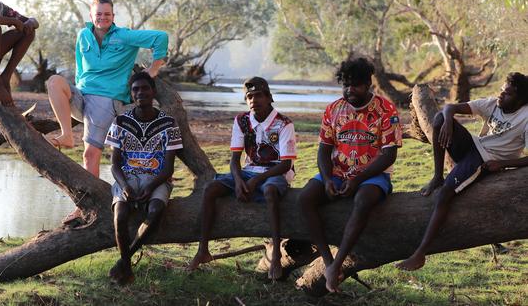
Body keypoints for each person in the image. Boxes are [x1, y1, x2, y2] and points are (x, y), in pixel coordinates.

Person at [396, 72, 528, 271]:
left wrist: (502, 164)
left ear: (521, 100)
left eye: (507, 94)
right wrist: (449, 121)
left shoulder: (526, 118)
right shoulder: (494, 103)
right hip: (473, 146)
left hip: (485, 159)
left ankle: (420, 253)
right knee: (440, 117)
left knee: (445, 193)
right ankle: (437, 176)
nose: (501, 95)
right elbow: (451, 107)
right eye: (502, 90)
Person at [297, 56, 402, 293]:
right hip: (337, 173)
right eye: (345, 84)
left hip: (373, 175)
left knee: (363, 200)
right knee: (304, 199)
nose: (349, 90)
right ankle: (327, 261)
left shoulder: (385, 109)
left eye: (355, 85)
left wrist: (357, 179)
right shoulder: (333, 109)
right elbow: (323, 150)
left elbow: (389, 155)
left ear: (368, 85)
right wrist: (326, 180)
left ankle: (339, 261)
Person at [45, 0, 168, 178]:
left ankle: (88, 205)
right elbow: (80, 65)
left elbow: (161, 37)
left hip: (106, 98)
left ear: (113, 16)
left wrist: (153, 69)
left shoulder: (124, 36)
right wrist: (79, 87)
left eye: (107, 14)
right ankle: (67, 135)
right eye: (98, 14)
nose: (102, 18)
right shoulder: (83, 35)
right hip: (82, 95)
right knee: (54, 81)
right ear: (91, 16)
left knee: (90, 155)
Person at [187, 77, 297, 281]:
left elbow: (286, 164)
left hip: (275, 172)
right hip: (248, 170)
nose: (254, 100)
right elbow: (234, 160)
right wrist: (238, 181)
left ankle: (275, 256)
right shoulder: (242, 121)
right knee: (210, 189)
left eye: (258, 95)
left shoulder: (284, 123)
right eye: (249, 96)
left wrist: (255, 182)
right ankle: (203, 249)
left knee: (270, 191)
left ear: (269, 97)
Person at [104, 72, 182, 285]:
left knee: (155, 210)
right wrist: (124, 186)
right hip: (127, 177)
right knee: (120, 215)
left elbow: (168, 168)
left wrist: (151, 185)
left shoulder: (169, 124)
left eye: (145, 88)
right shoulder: (120, 122)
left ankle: (123, 261)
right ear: (131, 94)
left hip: (158, 178)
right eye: (135, 89)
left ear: (153, 91)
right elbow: (114, 164)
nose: (140, 93)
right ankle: (127, 266)